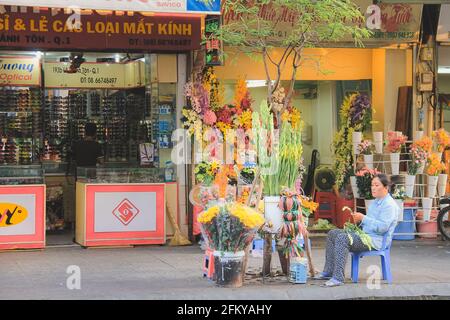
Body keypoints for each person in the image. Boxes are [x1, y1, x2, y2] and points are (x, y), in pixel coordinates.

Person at [314, 173, 399, 287]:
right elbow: (369, 224)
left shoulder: (389, 205)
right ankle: (329, 270)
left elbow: (383, 228)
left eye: (376, 185)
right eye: (372, 185)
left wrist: (363, 218)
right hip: (365, 236)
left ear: (386, 187)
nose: (373, 188)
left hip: (375, 241)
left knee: (343, 238)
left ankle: (338, 277)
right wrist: (358, 222)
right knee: (332, 233)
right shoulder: (375, 202)